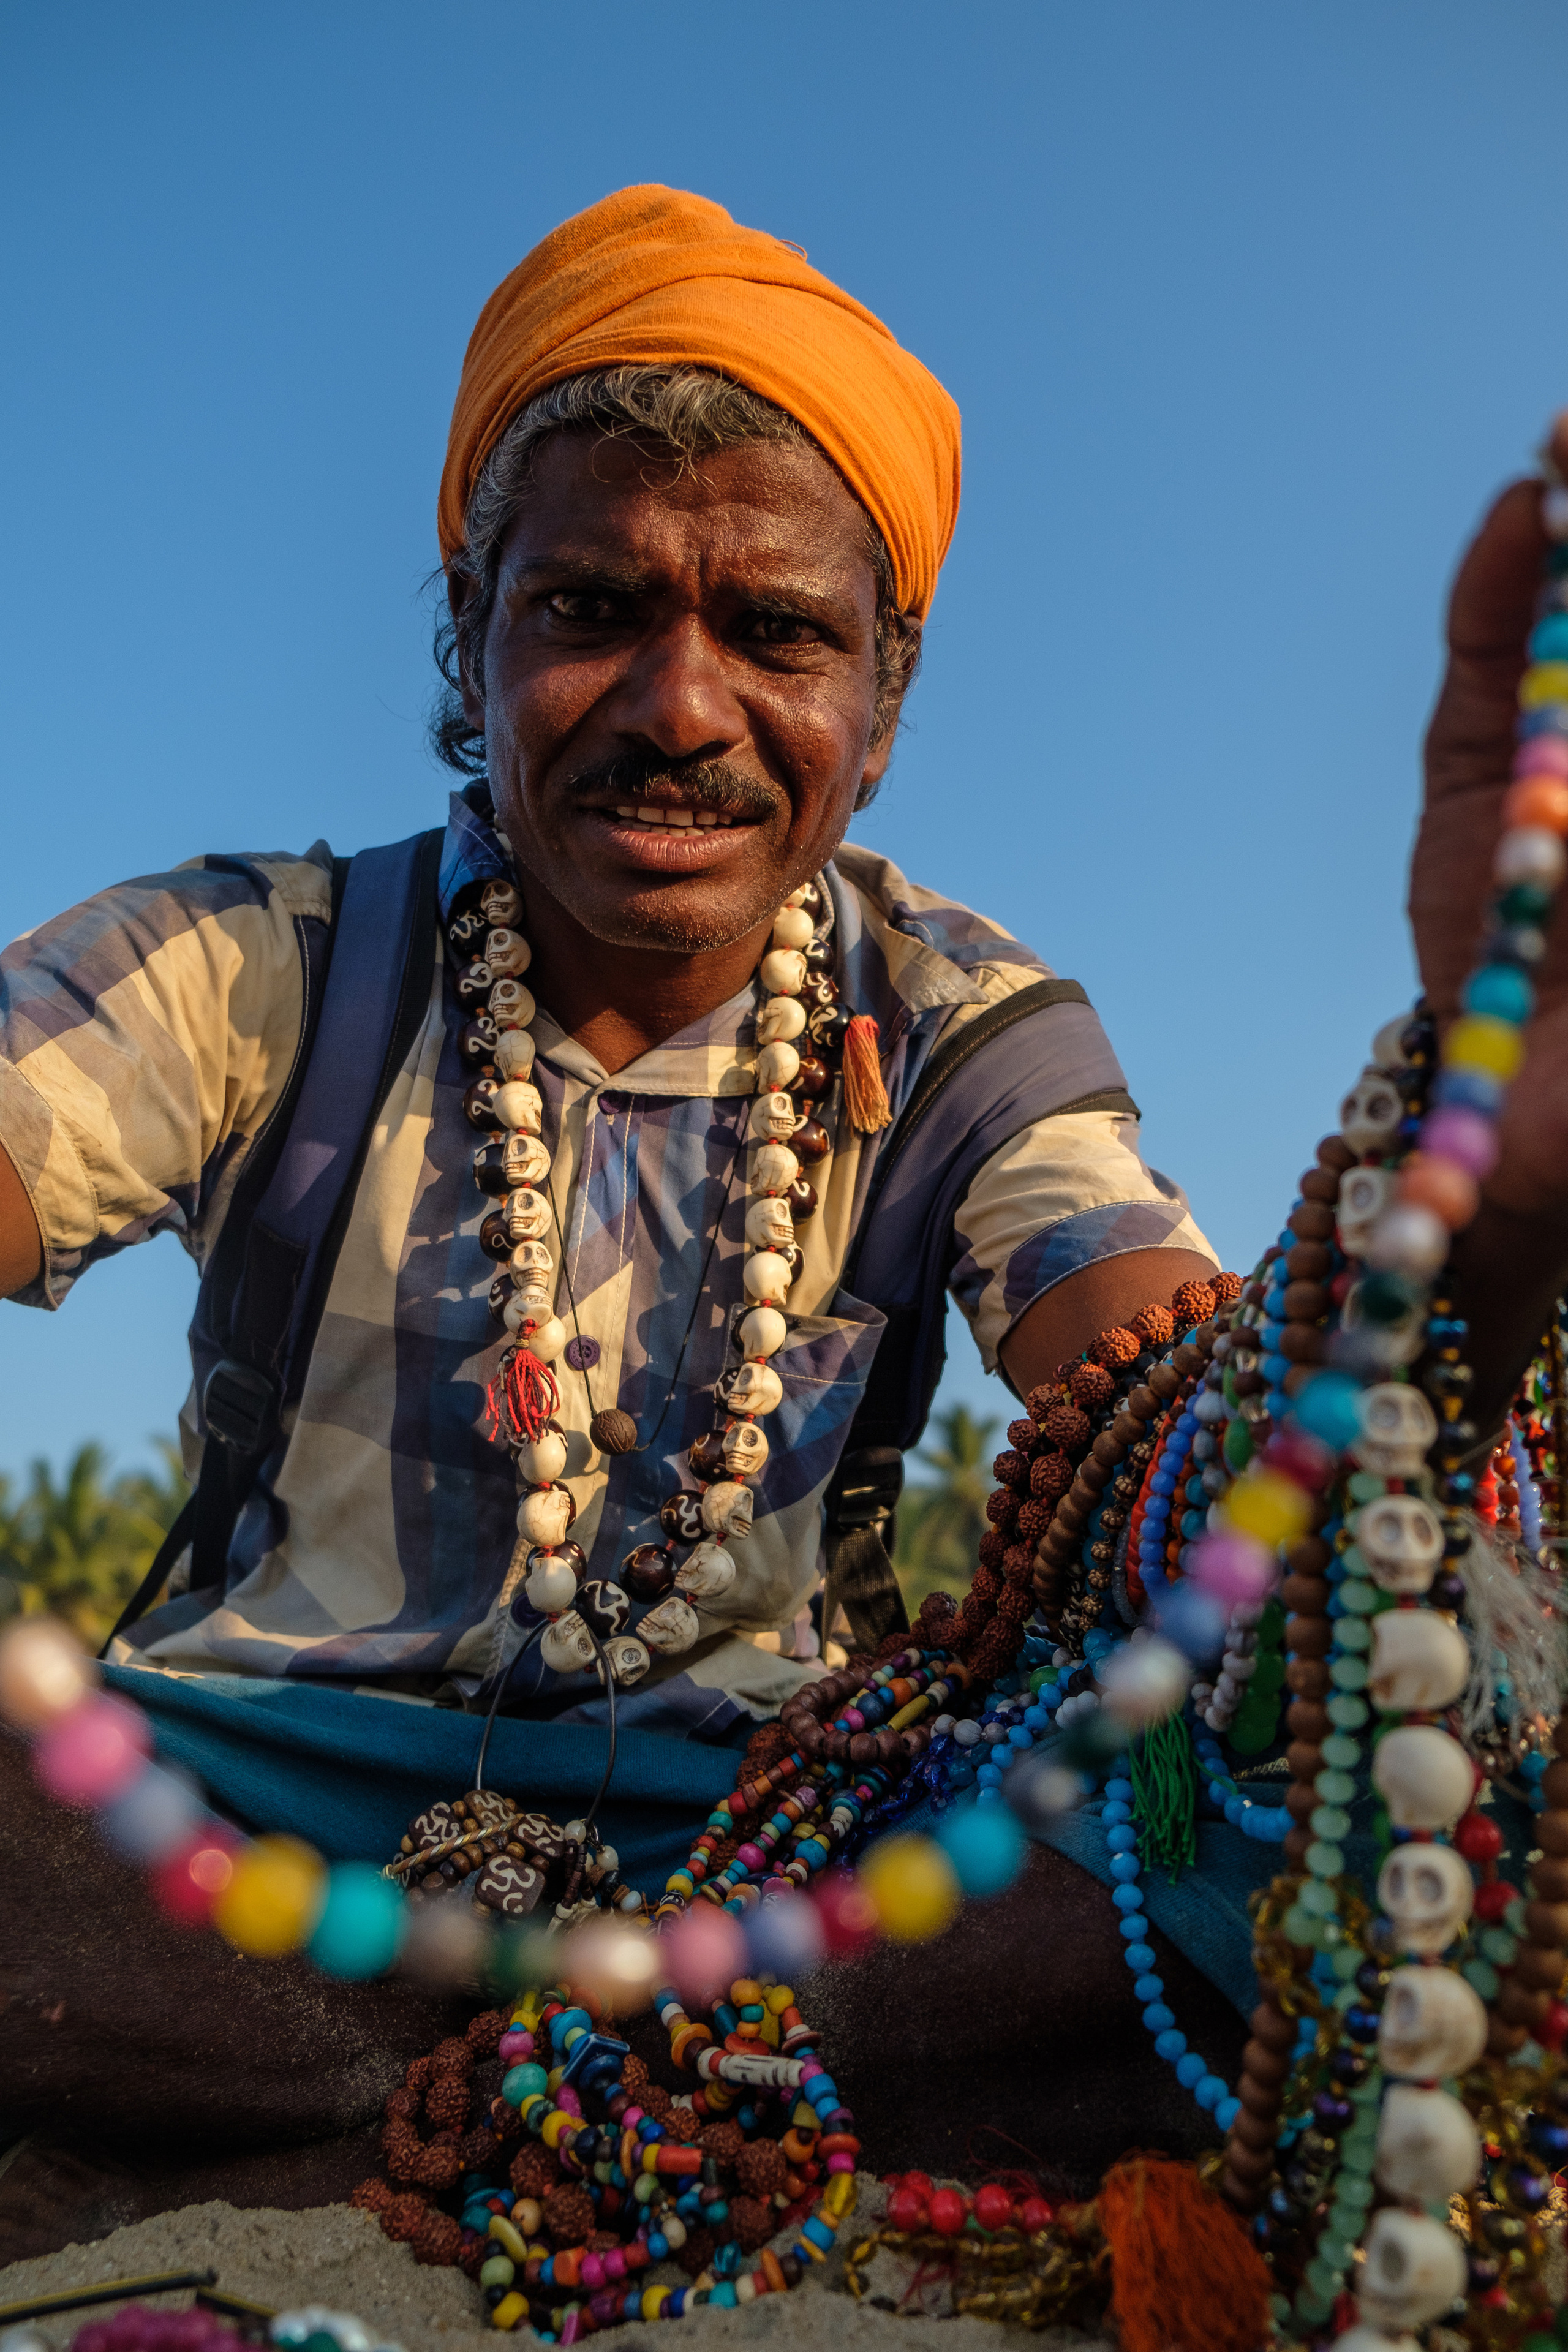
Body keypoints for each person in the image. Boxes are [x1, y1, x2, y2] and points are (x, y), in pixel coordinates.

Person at [1, 184, 1565, 2237]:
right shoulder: (252, 961)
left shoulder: (962, 1027)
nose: (678, 705)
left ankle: (341, 2114)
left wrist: (1478, 1184)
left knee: (1315, 1777)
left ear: (884, 711)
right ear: (471, 650)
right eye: (585, 611)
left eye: (778, 632)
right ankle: (559, 2114)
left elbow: (1174, 1424)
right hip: (219, 1844)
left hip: (776, 1872)